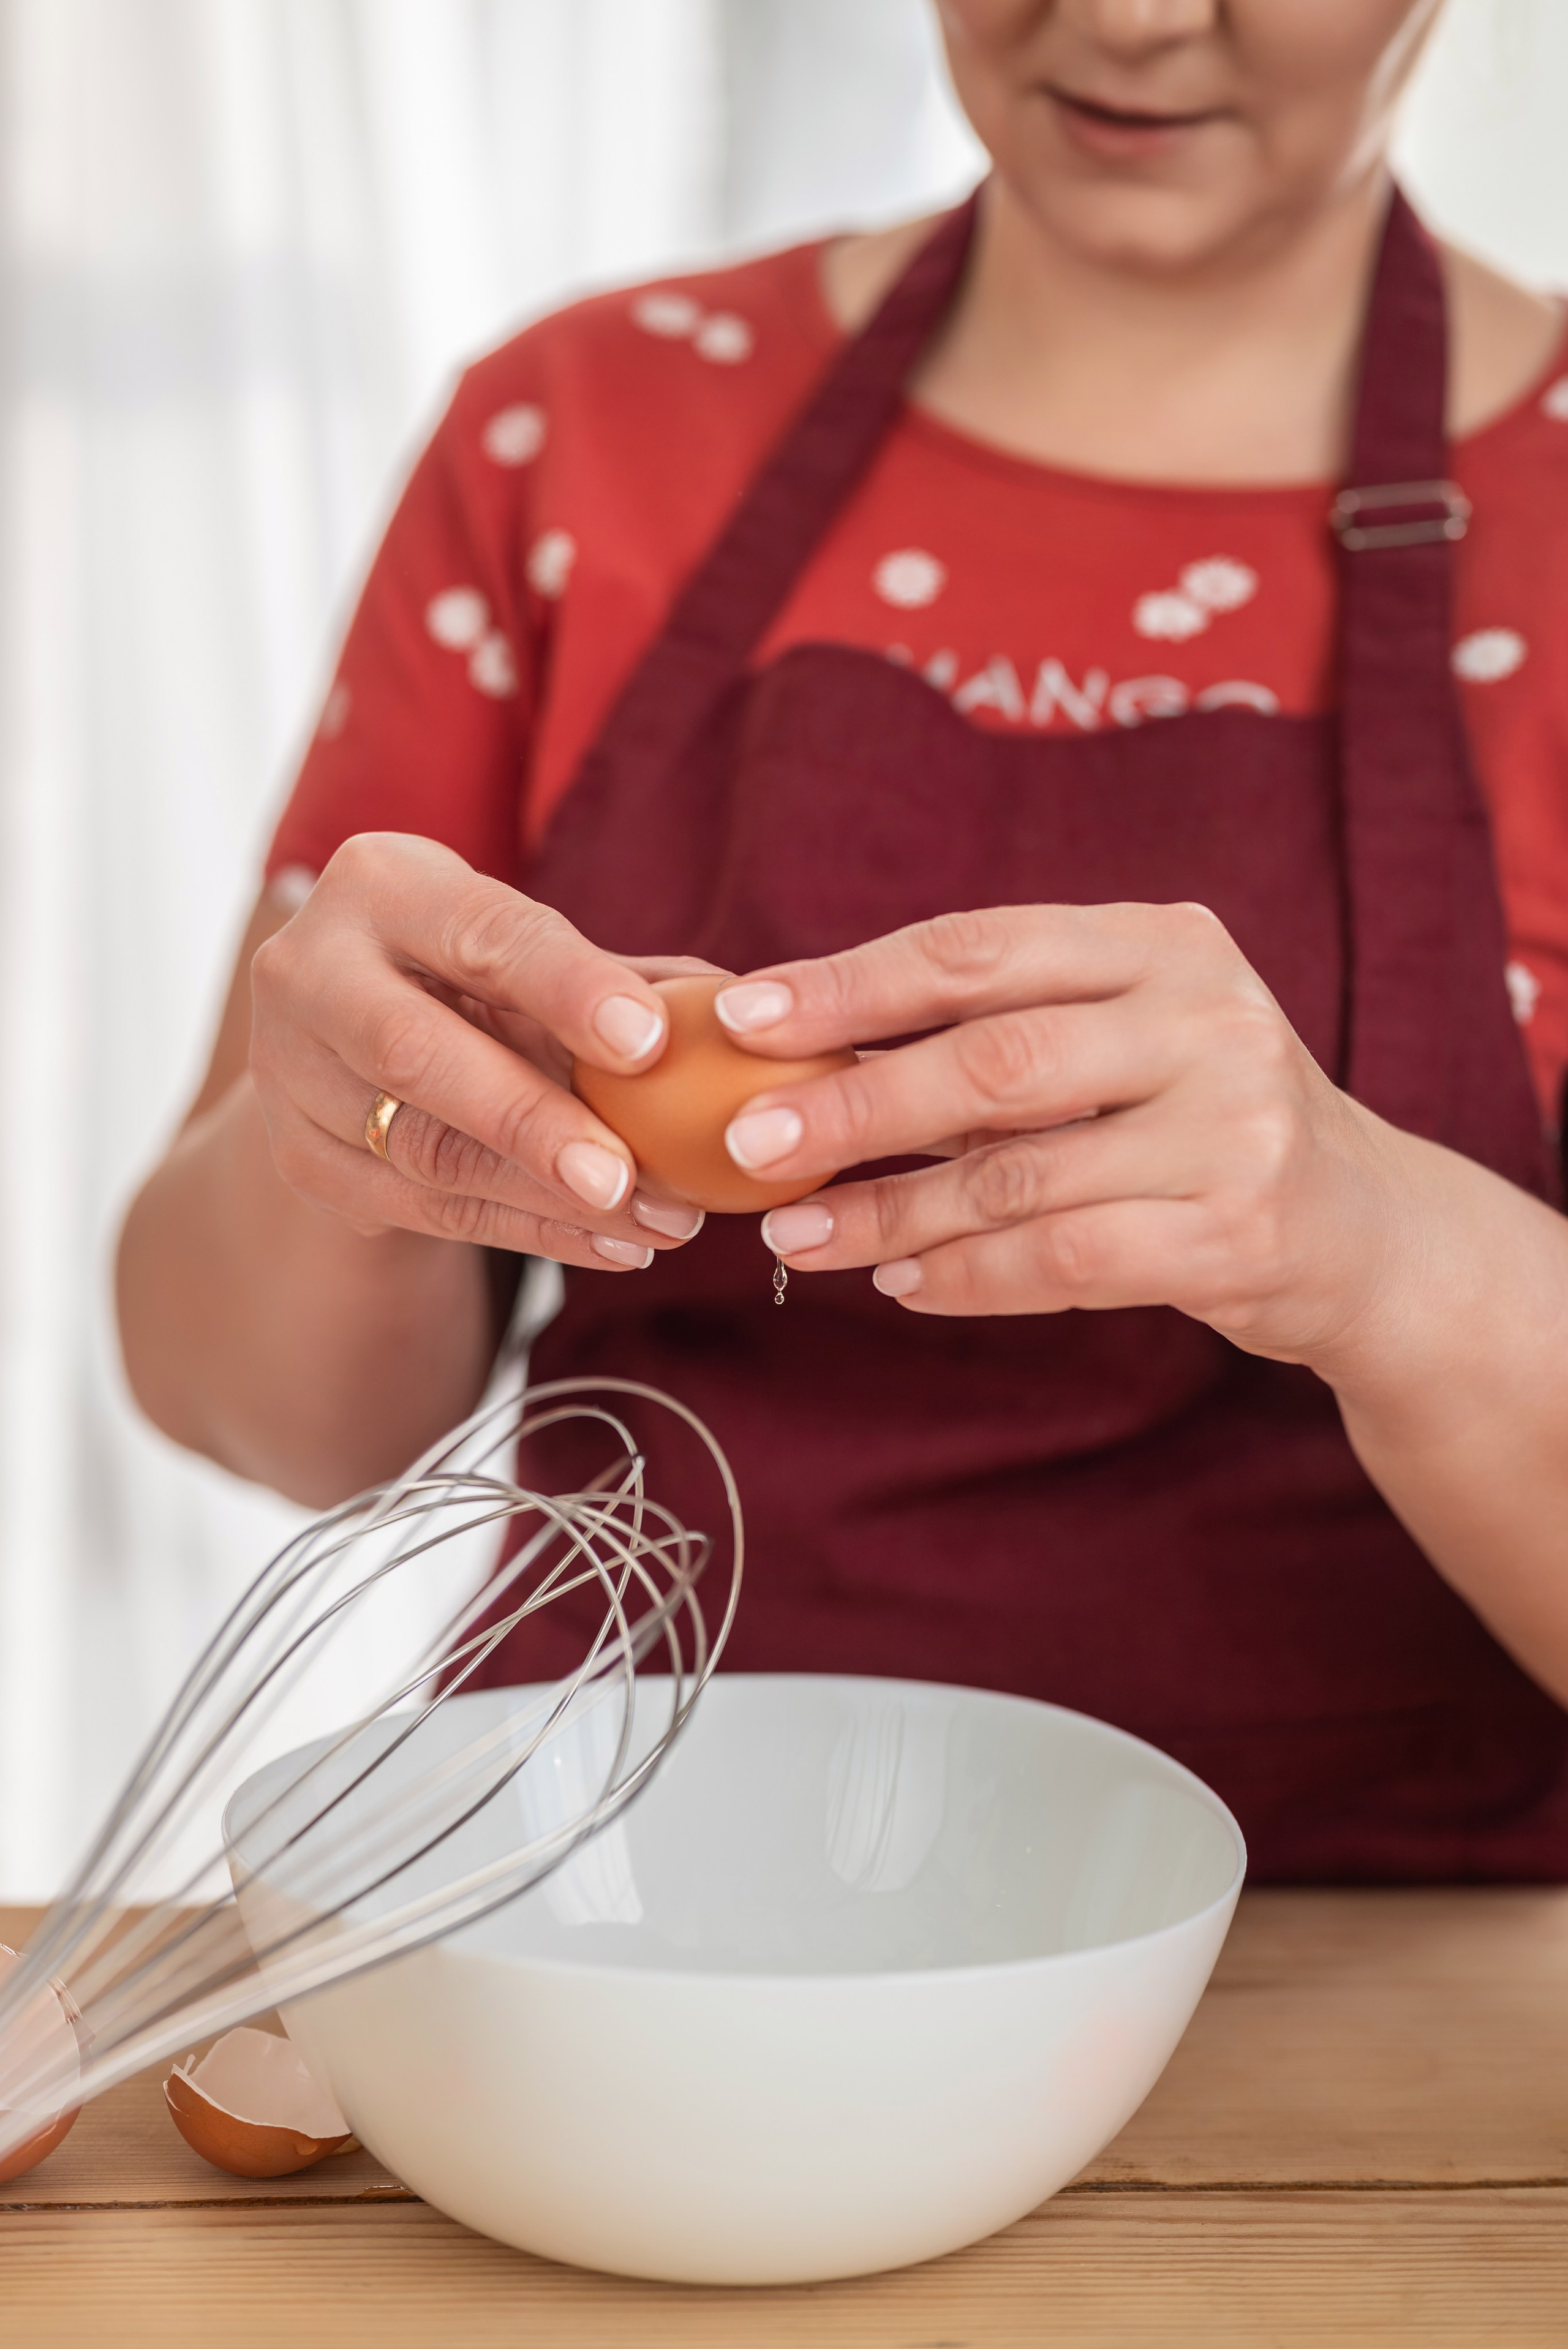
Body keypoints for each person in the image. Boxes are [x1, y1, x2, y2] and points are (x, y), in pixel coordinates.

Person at [118, 0, 1568, 1880]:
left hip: (1386, 1998)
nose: (1132, 16)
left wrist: (1374, 1243)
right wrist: (352, 1142)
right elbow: (249, 1400)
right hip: (611, 1914)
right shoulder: (579, 436)